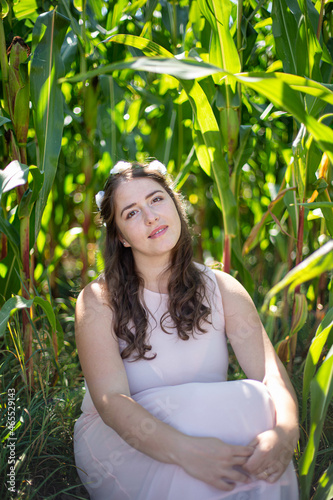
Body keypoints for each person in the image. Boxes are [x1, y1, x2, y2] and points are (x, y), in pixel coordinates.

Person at [73, 160, 299, 500]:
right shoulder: (97, 300)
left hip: (208, 429)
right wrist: (187, 451)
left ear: (175, 205)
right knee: (193, 474)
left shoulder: (222, 288)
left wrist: (285, 434)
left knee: (259, 404)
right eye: (131, 213)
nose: (151, 217)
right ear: (120, 236)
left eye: (156, 200)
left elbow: (271, 376)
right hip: (120, 441)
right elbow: (111, 402)